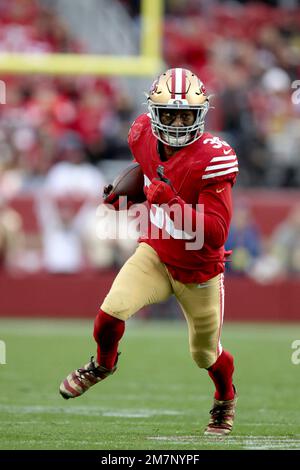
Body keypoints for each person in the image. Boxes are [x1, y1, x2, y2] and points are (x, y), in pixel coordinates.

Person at [59, 68, 239, 436]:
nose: (175, 122)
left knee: (204, 354)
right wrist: (128, 192)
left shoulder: (213, 158)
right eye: (168, 113)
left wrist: (169, 198)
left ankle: (225, 398)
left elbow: (216, 234)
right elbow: (148, 171)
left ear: (200, 114)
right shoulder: (141, 133)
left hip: (200, 271)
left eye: (185, 114)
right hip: (156, 252)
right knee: (110, 313)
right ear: (153, 112)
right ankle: (104, 365)